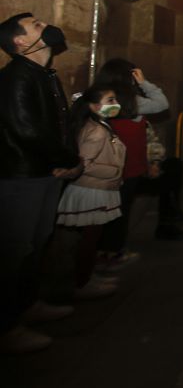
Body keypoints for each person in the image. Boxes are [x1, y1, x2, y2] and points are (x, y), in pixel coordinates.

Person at [0, 13, 81, 353]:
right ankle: (7, 327)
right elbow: (26, 129)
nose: (43, 24)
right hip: (23, 176)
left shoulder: (42, 74)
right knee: (15, 251)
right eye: (34, 25)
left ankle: (28, 305)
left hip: (43, 172)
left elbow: (57, 124)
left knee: (36, 243)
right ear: (19, 41)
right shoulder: (17, 76)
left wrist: (63, 158)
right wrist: (65, 160)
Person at [93, 59, 183, 264]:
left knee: (116, 210)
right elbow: (161, 103)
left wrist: (154, 161)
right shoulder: (132, 102)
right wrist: (144, 83)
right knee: (120, 211)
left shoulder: (101, 101)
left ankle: (109, 249)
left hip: (115, 168)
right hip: (127, 168)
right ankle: (112, 251)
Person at [54, 87, 125, 301]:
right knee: (88, 240)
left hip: (96, 188)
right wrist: (114, 171)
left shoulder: (101, 125)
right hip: (92, 190)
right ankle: (82, 283)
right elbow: (85, 163)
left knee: (91, 239)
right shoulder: (97, 131)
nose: (116, 103)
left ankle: (86, 277)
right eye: (110, 99)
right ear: (94, 106)